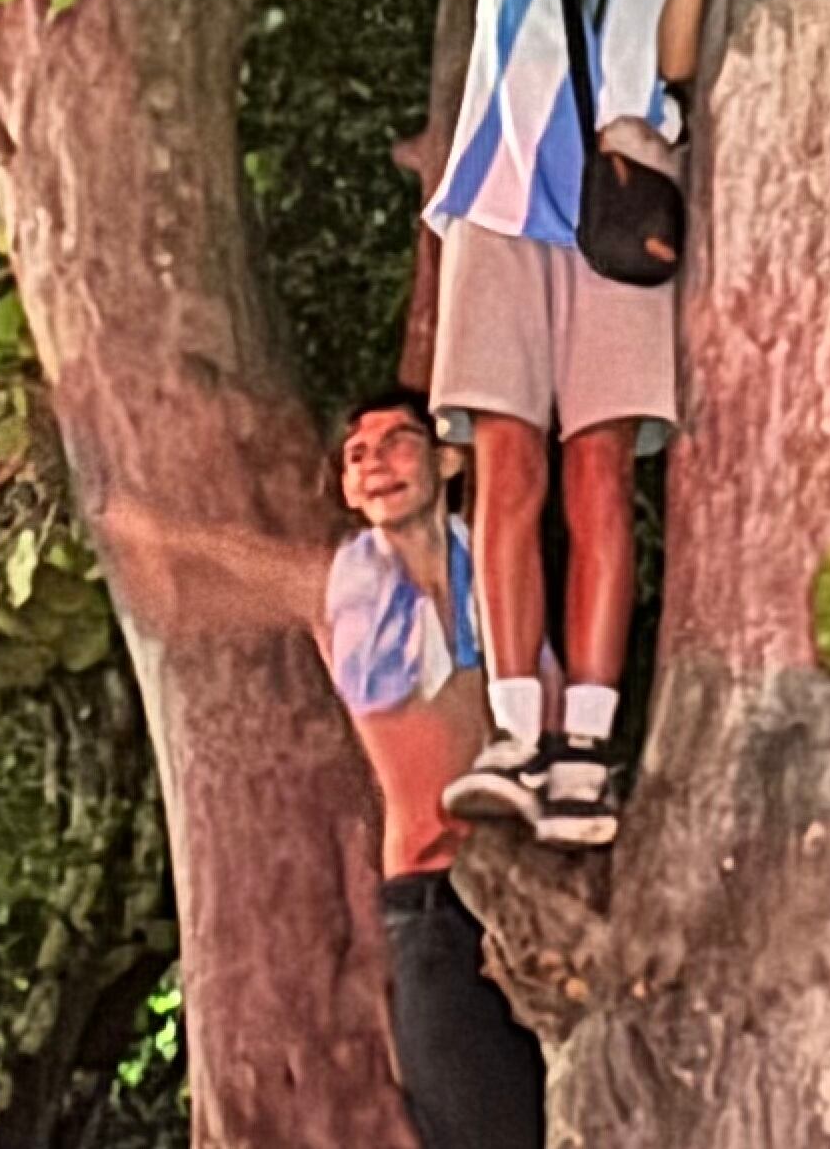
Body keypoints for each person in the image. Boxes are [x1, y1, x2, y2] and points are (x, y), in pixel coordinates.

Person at [421, 0, 728, 848]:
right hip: (500, 201)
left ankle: (587, 743)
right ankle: (513, 729)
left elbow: (679, 60)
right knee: (505, 472)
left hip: (617, 210)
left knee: (598, 476)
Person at [92, 394, 544, 1149]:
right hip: (433, 902)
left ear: (449, 459)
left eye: (399, 443)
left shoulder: (501, 576)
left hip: (536, 894)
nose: (377, 464)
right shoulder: (342, 586)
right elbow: (212, 556)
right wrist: (119, 514)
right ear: (345, 488)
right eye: (358, 456)